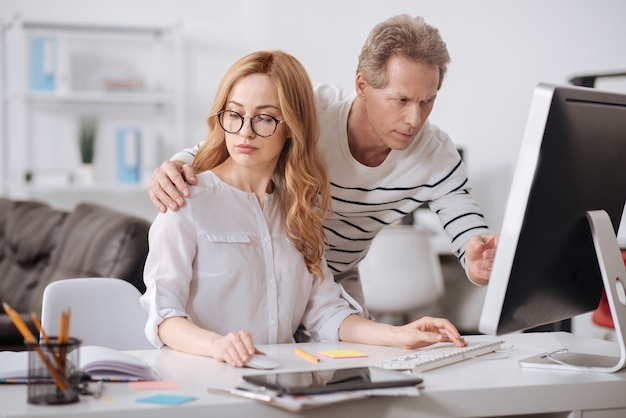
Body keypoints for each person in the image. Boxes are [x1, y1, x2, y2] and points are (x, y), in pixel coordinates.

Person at [148, 15, 498, 318]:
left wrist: (479, 261)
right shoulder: (310, 110)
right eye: (401, 100)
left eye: (427, 101)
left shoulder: (436, 154)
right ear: (362, 85)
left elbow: (468, 230)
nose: (414, 119)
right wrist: (176, 166)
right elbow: (234, 135)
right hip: (275, 267)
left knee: (355, 377)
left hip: (337, 277)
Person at [140, 49, 467, 367]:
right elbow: (163, 313)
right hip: (204, 380)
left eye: (265, 118)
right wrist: (217, 345)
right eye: (235, 115)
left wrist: (398, 335)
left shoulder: (300, 210)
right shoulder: (186, 201)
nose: (245, 132)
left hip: (281, 383)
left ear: (292, 127)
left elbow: (325, 312)